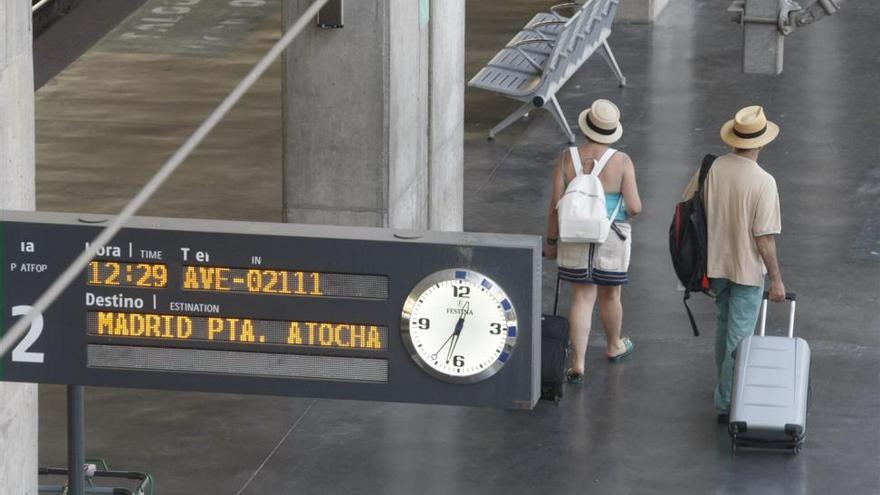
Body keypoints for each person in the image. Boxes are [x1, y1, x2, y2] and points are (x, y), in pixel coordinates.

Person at [681, 105, 786, 424]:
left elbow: (687, 208)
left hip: (713, 265)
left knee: (725, 328)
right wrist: (777, 280)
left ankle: (725, 387)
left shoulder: (710, 169)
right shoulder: (763, 182)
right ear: (761, 143)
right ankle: (728, 402)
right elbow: (764, 238)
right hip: (746, 269)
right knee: (739, 338)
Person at [544, 99, 642, 384]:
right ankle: (614, 345)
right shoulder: (622, 161)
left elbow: (554, 204)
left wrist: (551, 242)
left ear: (587, 126)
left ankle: (578, 362)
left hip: (572, 233)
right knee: (610, 295)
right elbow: (635, 206)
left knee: (581, 297)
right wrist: (619, 211)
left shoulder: (566, 158)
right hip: (611, 233)